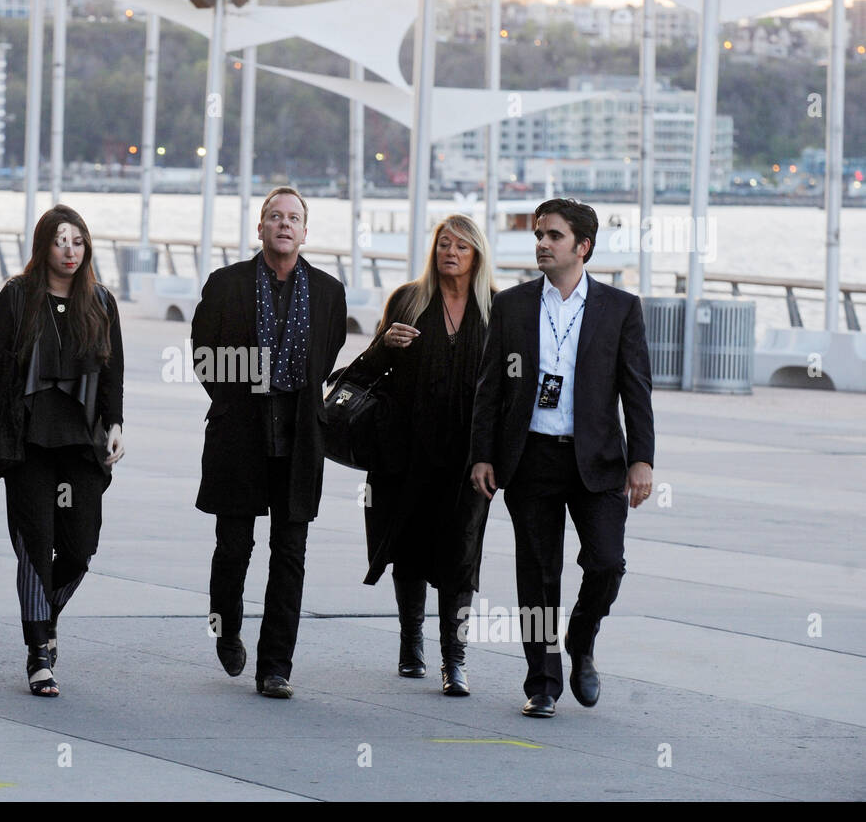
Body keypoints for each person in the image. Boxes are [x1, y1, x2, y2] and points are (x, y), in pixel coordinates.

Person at [469, 197, 655, 718]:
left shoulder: (620, 309)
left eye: (553, 235)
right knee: (537, 573)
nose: (542, 244)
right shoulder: (512, 305)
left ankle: (581, 638)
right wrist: (482, 455)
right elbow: (489, 389)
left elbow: (636, 389)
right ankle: (542, 682)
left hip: (597, 462)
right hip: (530, 460)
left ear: (583, 246)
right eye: (538, 235)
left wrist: (642, 460)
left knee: (606, 564)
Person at [191, 186, 347, 699]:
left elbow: (324, 360)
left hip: (300, 437)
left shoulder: (327, 292)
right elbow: (204, 356)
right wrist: (246, 391)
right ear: (260, 228)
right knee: (233, 548)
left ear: (306, 232)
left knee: (291, 553)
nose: (284, 225)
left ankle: (275, 666)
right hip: (240, 433)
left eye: (293, 218)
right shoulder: (226, 284)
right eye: (274, 217)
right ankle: (227, 627)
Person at [0, 205, 124, 697]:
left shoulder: (100, 300)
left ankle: (46, 614)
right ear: (43, 246)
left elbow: (113, 371)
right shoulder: (17, 297)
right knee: (34, 546)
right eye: (61, 241)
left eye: (78, 241)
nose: (70, 250)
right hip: (27, 441)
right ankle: (39, 652)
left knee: (79, 548)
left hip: (81, 445)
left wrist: (116, 422)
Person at [349, 214, 494, 694]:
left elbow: (508, 386)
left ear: (477, 255)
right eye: (443, 245)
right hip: (405, 449)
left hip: (467, 456)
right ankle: (411, 643)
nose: (450, 253)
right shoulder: (409, 299)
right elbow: (368, 369)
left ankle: (456, 659)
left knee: (461, 551)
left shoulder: (495, 309)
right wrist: (386, 343)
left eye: (461, 247)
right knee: (407, 545)